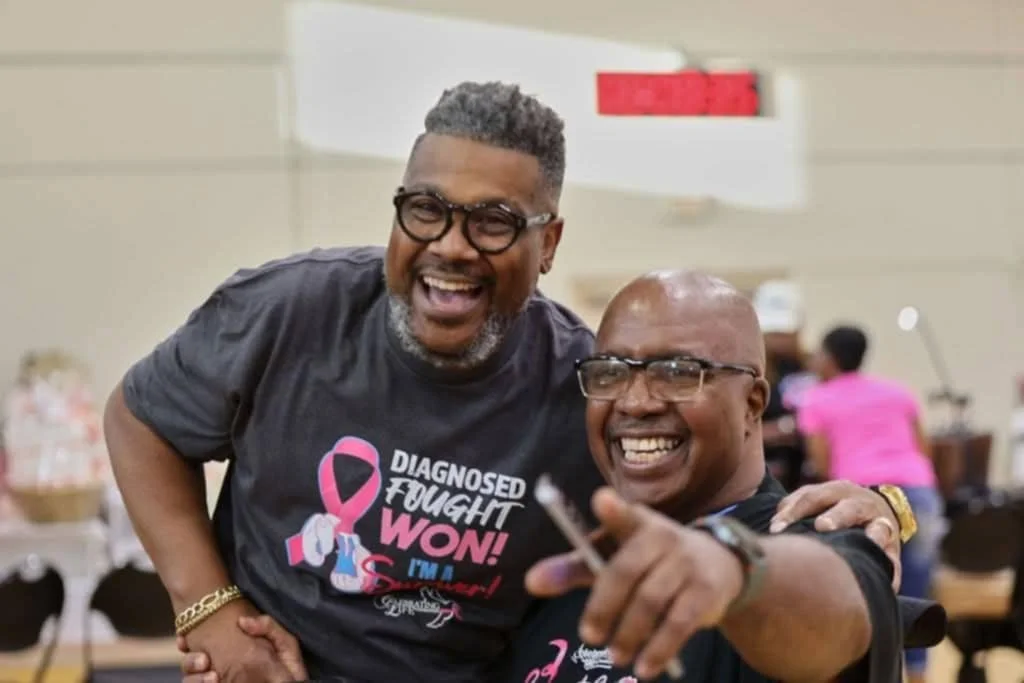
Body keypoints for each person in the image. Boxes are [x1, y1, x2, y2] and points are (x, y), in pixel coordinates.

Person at [104, 81, 912, 683]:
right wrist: (209, 606)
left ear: (548, 240)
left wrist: (865, 518)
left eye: (492, 221)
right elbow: (139, 418)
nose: (450, 246)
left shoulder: (581, 389)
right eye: (425, 209)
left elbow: (816, 597)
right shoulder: (291, 311)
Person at [502, 271, 907, 683]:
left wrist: (736, 570)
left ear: (752, 404)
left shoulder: (821, 538)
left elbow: (841, 617)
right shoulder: (570, 558)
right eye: (610, 373)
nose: (636, 402)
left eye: (677, 372)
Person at [798, 325, 943, 683]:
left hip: (864, 499)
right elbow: (923, 446)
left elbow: (821, 462)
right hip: (919, 491)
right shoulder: (897, 392)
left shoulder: (817, 398)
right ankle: (919, 675)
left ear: (830, 359)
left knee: (872, 590)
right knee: (916, 590)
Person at [751, 280, 817, 491]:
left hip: (808, 475)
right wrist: (777, 431)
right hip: (765, 475)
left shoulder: (814, 367)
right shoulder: (752, 370)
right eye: (773, 332)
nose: (780, 339)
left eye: (785, 332)